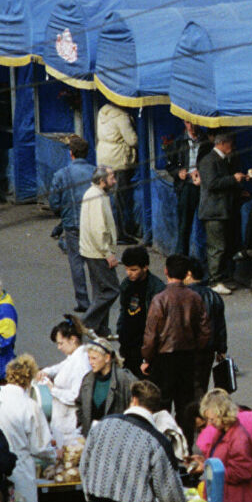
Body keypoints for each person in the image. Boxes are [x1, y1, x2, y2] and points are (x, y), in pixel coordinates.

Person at [141, 254, 211, 436]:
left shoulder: (160, 299)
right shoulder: (195, 297)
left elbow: (151, 334)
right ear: (187, 273)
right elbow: (205, 330)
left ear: (166, 271)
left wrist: (147, 358)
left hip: (163, 358)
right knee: (185, 404)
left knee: (161, 405)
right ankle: (185, 445)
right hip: (187, 356)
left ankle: (163, 441)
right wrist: (196, 349)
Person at [0, 357, 50, 502]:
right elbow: (40, 445)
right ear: (28, 380)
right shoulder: (29, 405)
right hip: (21, 466)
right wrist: (54, 454)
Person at [196, 134, 245, 292]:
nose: (233, 146)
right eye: (231, 143)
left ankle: (222, 277)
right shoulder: (209, 161)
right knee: (216, 247)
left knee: (224, 245)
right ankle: (214, 280)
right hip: (213, 211)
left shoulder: (222, 160)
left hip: (223, 210)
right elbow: (212, 184)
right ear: (222, 143)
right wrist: (233, 179)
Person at [81, 166, 121, 333]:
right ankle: (85, 324)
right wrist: (108, 253)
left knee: (100, 291)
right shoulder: (96, 197)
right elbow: (98, 229)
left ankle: (101, 328)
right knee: (112, 289)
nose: (115, 181)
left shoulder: (96, 194)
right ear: (102, 181)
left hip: (93, 250)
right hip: (98, 252)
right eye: (112, 178)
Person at [159, 120, 205, 257]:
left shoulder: (205, 142)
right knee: (184, 224)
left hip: (202, 184)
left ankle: (203, 259)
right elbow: (170, 166)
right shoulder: (178, 142)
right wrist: (178, 173)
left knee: (204, 223)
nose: (191, 127)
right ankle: (182, 257)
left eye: (194, 123)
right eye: (188, 123)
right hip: (186, 185)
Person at [116, 246, 164, 374]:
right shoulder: (126, 285)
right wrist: (120, 332)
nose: (129, 273)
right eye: (126, 269)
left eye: (134, 270)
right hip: (128, 342)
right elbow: (123, 311)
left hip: (144, 344)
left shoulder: (157, 289)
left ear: (145, 267)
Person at [73, 336, 134, 438]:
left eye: (94, 358)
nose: (90, 362)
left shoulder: (124, 379)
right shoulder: (87, 379)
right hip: (91, 437)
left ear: (107, 358)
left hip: (116, 438)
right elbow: (79, 404)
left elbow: (133, 407)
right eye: (89, 358)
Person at [95, 103, 137, 240]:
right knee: (120, 200)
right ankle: (120, 233)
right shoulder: (122, 116)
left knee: (106, 197)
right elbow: (132, 140)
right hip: (119, 160)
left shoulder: (103, 111)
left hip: (103, 158)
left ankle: (106, 229)